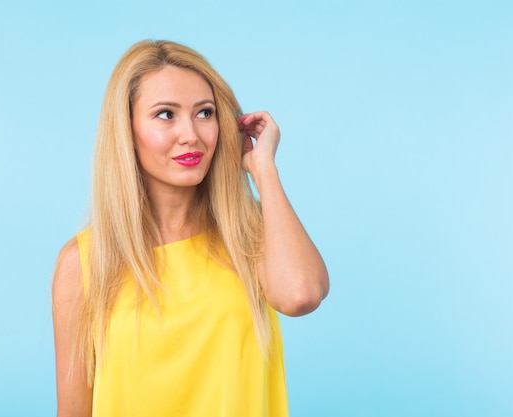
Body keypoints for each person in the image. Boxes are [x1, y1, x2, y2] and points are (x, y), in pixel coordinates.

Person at [52, 39, 329, 417]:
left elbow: (301, 295)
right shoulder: (84, 263)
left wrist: (264, 170)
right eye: (166, 114)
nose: (191, 135)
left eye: (204, 113)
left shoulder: (251, 234)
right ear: (126, 128)